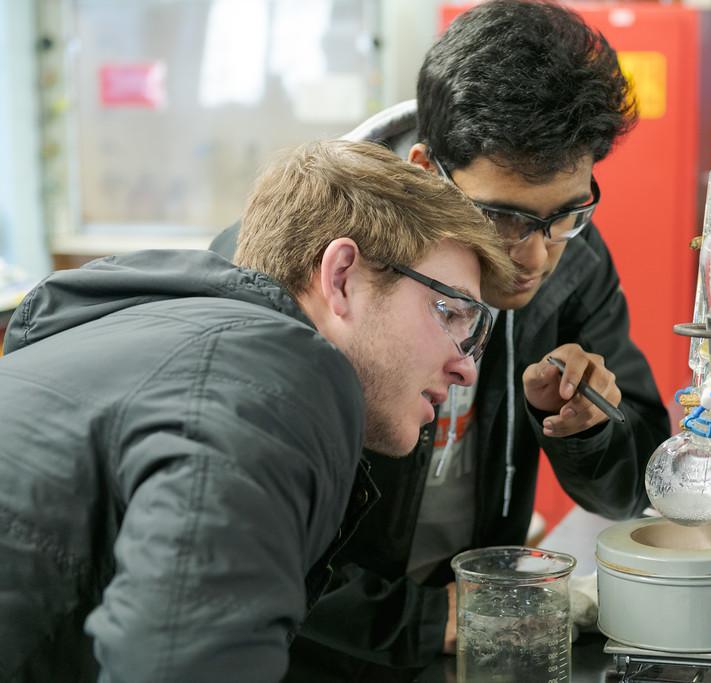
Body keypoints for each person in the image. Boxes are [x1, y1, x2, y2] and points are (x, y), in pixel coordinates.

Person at [210, 0, 670, 679]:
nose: (536, 256)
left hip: (464, 642)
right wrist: (430, 619)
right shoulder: (296, 267)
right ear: (429, 169)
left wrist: (588, 431)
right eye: (503, 218)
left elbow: (638, 484)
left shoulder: (576, 262)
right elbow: (235, 543)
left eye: (564, 214)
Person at [0, 139, 514, 682]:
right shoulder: (274, 378)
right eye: (450, 313)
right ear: (341, 277)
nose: (466, 368)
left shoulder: (164, 340)